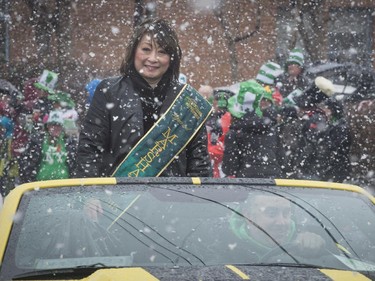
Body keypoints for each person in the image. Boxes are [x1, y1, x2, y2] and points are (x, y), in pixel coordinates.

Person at [75, 18, 212, 178]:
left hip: (173, 197)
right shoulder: (109, 91)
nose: (153, 59)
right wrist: (91, 193)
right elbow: (90, 148)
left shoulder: (188, 101)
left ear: (171, 57)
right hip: (119, 197)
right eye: (146, 49)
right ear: (134, 51)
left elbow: (199, 162)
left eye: (162, 52)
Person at [229, 192, 326, 261]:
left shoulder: (307, 238)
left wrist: (319, 247)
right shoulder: (223, 246)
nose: (281, 222)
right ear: (249, 216)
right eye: (271, 213)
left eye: (286, 213)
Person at [223, 80, 282, 178]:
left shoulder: (234, 133)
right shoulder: (271, 129)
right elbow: (282, 160)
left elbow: (229, 168)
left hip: (246, 182)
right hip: (273, 180)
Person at [18, 110, 77, 182]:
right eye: (53, 124)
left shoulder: (69, 143)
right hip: (40, 185)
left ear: (62, 127)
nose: (55, 127)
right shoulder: (37, 141)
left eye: (58, 125)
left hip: (64, 185)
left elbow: (75, 164)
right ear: (47, 126)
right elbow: (27, 164)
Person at [205, 89, 234, 178]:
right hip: (223, 166)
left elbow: (216, 148)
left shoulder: (222, 120)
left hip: (220, 165)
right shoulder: (229, 118)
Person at [0, 116, 18, 197]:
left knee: (7, 195)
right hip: (5, 171)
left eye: (2, 126)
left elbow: (10, 156)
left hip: (8, 172)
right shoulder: (4, 138)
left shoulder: (10, 139)